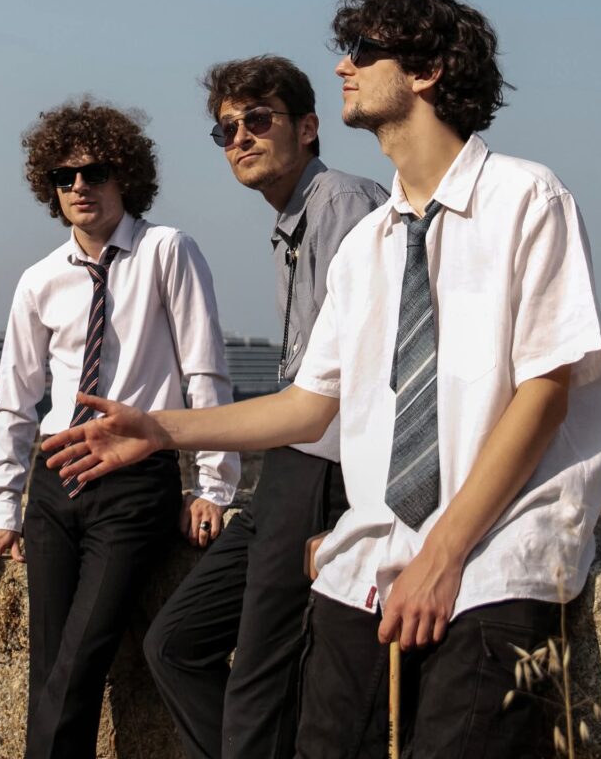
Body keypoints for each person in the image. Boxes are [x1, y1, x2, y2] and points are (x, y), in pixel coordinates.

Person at [43, 0, 601, 759]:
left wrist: (444, 552)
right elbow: (310, 405)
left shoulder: (527, 199)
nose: (343, 66)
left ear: (427, 71)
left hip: (497, 557)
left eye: (364, 50)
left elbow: (544, 392)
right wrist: (158, 429)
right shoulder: (368, 244)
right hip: (372, 559)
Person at [0, 98, 239, 759]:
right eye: (64, 176)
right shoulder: (39, 281)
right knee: (50, 668)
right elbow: (15, 403)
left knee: (81, 661)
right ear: (50, 188)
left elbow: (205, 371)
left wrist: (214, 487)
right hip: (54, 485)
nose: (79, 186)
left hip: (134, 482)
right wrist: (4, 511)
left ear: (125, 176)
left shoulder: (167, 251)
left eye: (95, 171)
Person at [142, 55, 387, 759]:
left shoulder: (341, 203)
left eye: (257, 120)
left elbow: (348, 379)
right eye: (227, 130)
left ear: (307, 127)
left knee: (260, 684)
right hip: (287, 468)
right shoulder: (292, 224)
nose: (240, 138)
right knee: (175, 644)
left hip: (323, 469)